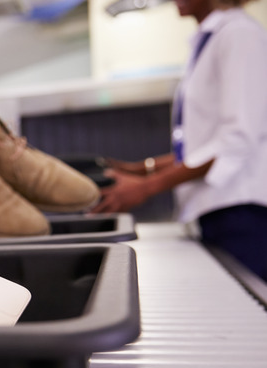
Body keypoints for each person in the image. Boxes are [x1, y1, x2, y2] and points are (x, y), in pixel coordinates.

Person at [92, 0, 267, 281]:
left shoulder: (240, 34)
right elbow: (204, 146)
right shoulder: (213, 38)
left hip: (242, 213)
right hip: (221, 212)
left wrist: (147, 187)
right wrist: (139, 169)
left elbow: (237, 138)